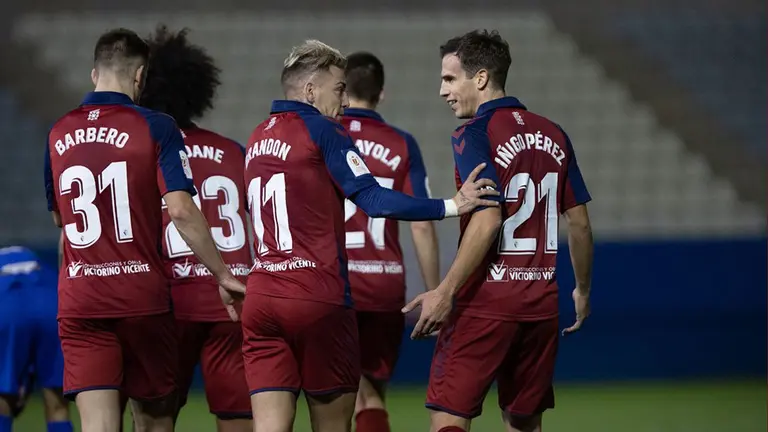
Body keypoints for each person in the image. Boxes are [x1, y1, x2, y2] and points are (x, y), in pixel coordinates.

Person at [242, 39, 499, 432]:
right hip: (317, 297)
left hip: (261, 298)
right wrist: (452, 205)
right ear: (312, 91)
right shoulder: (324, 130)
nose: (344, 102)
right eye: (339, 89)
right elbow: (374, 198)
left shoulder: (259, 135)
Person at [43, 28, 245, 432]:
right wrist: (223, 273)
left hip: (82, 298)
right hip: (145, 297)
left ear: (93, 73)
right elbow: (182, 209)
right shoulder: (160, 128)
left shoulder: (58, 132)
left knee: (99, 424)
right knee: (157, 421)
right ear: (140, 78)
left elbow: (61, 222)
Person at [403, 30, 594, 432]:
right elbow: (577, 222)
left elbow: (488, 217)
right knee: (525, 422)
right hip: (540, 304)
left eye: (450, 79)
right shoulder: (554, 133)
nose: (442, 91)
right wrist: (582, 289)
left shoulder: (474, 134)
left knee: (448, 418)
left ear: (482, 78)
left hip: (484, 302)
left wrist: (446, 291)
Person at [139, 25, 253, 431]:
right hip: (233, 298)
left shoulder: (143, 151)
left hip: (170, 300)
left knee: (154, 420)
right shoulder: (232, 150)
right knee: (239, 419)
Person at [339, 51, 440, 432]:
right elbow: (420, 223)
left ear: (341, 91)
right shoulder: (402, 143)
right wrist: (435, 291)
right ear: (382, 94)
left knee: (335, 399)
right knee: (373, 393)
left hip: (336, 283)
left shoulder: (325, 136)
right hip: (384, 282)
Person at [0, 245, 72, 432]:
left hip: (5, 305)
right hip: (52, 304)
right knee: (58, 407)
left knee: (2, 402)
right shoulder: (41, 263)